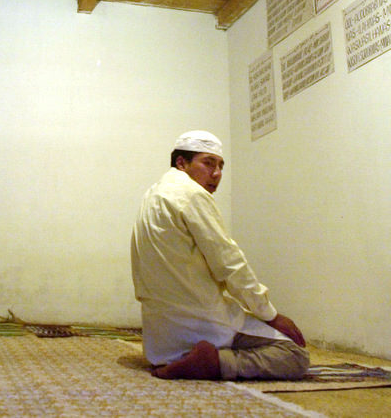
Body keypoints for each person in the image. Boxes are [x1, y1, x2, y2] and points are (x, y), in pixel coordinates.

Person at [130, 130, 309, 380]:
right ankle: (215, 363)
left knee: (250, 321)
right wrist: (271, 315)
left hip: (161, 339)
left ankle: (192, 360)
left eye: (221, 166)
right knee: (294, 354)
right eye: (208, 163)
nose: (217, 174)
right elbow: (230, 265)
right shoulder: (191, 194)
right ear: (182, 163)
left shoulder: (152, 195)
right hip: (202, 326)